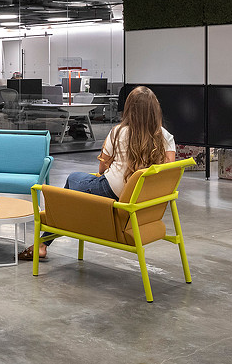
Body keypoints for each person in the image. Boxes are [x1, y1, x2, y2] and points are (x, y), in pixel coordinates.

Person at [19, 86, 176, 261]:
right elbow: (167, 171)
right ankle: (45, 242)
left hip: (113, 192)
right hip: (144, 200)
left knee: (72, 179)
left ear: (129, 109)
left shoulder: (119, 132)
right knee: (73, 196)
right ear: (155, 110)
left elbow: (101, 169)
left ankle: (43, 243)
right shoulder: (166, 137)